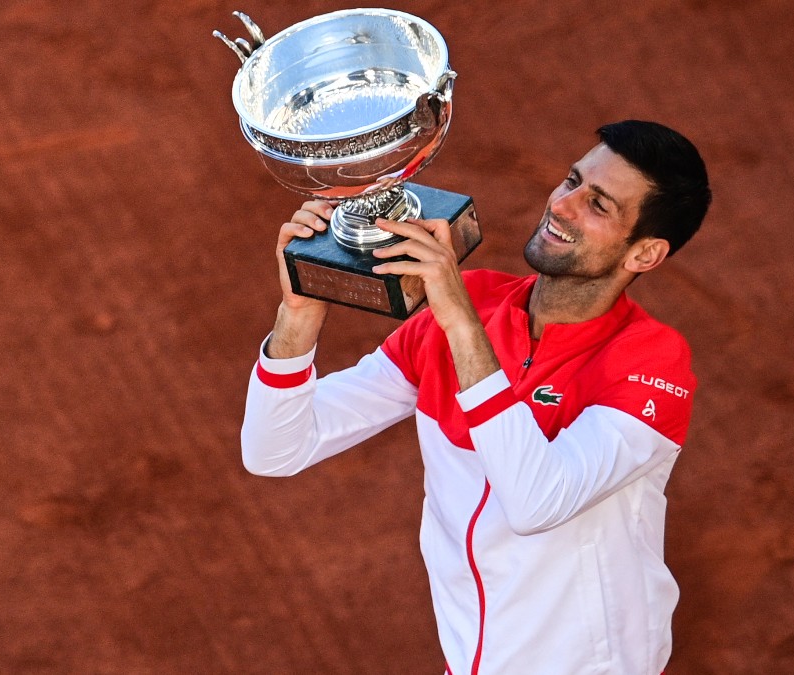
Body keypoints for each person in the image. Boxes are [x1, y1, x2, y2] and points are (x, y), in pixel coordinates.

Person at [240, 120, 712, 674]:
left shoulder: (650, 360)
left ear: (645, 254)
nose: (562, 205)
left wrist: (460, 320)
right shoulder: (476, 302)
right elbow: (274, 451)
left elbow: (535, 501)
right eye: (572, 181)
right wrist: (300, 311)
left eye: (599, 205)